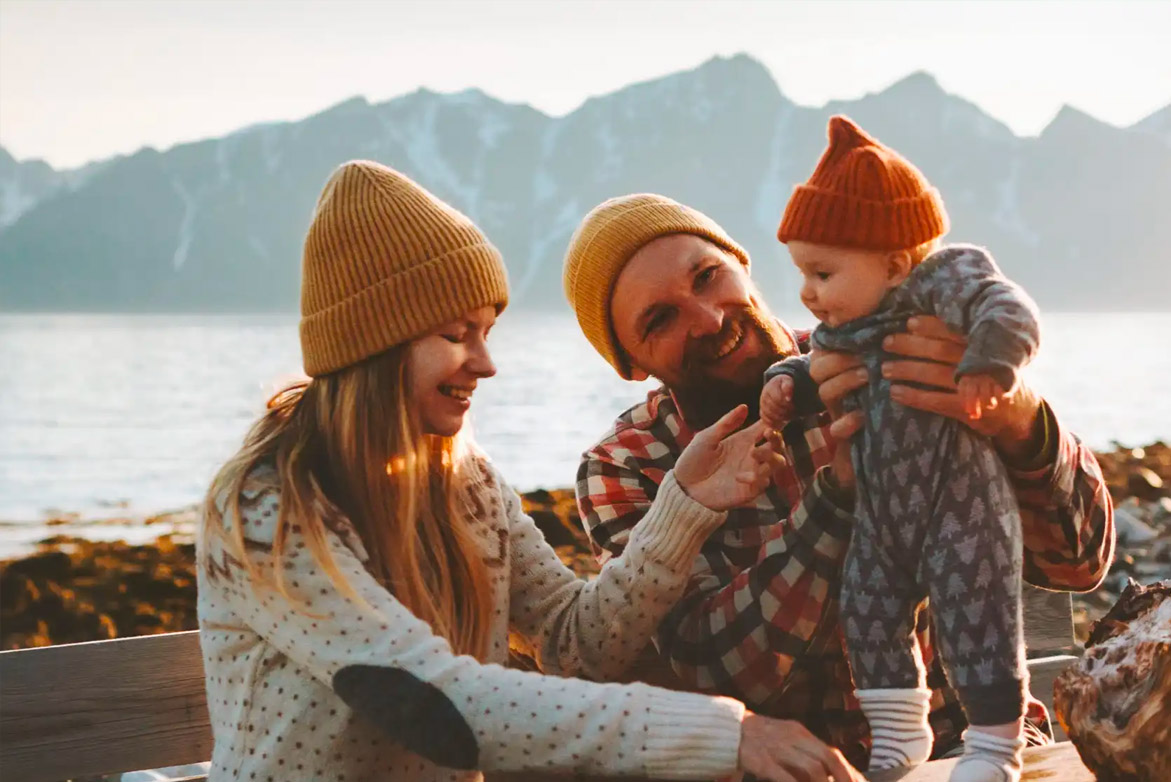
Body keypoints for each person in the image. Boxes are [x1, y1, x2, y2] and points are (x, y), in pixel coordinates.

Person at [196, 160, 862, 782]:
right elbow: (425, 696)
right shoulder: (268, 506)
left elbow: (576, 644)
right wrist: (727, 732)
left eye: (487, 331)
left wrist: (682, 505)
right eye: (457, 335)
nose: (485, 364)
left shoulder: (466, 483)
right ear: (377, 342)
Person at [562, 183, 1114, 769]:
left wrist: (1017, 418)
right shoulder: (627, 465)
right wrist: (836, 499)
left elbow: (1079, 562)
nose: (708, 318)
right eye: (660, 319)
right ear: (629, 363)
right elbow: (713, 664)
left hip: (974, 748)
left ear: (741, 265)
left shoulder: (901, 349)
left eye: (706, 276)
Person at [762, 115, 1043, 782]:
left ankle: (993, 749)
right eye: (801, 273)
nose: (806, 293)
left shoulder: (939, 283)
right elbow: (808, 365)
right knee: (865, 612)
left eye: (822, 273)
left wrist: (989, 365)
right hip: (881, 518)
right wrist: (780, 382)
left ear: (892, 263)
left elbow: (1007, 310)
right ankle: (899, 738)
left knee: (978, 620)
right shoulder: (841, 328)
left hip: (960, 505)